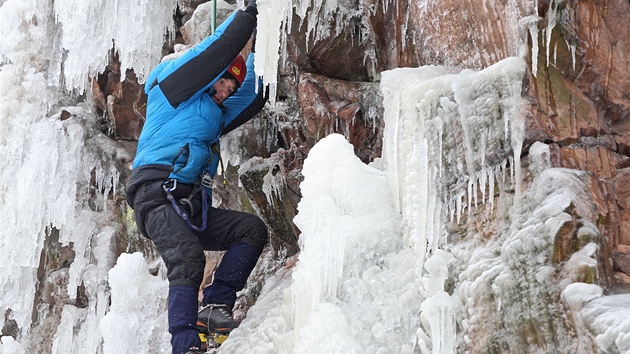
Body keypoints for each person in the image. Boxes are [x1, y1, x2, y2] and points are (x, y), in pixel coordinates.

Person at [125, 1, 268, 353]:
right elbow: (219, 48)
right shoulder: (173, 86)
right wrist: (252, 12)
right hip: (155, 193)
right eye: (221, 85)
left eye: (228, 91)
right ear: (208, 77)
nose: (225, 94)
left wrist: (268, 34)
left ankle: (215, 308)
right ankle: (185, 344)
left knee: (251, 230)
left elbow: (255, 91)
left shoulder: (213, 113)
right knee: (188, 258)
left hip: (188, 205)